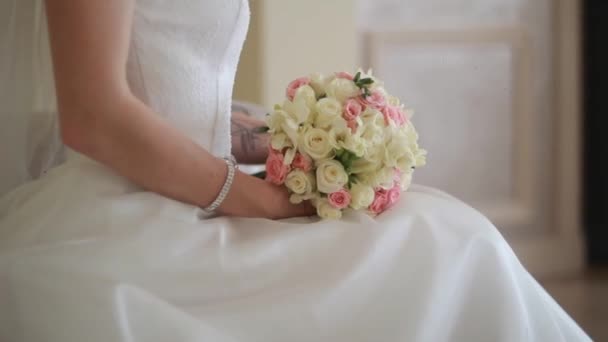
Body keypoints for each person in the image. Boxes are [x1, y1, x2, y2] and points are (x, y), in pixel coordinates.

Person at [0, 0, 591, 341]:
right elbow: (93, 116)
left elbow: (169, 95)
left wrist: (278, 140)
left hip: (197, 187)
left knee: (445, 230)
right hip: (131, 216)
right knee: (444, 245)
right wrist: (257, 201)